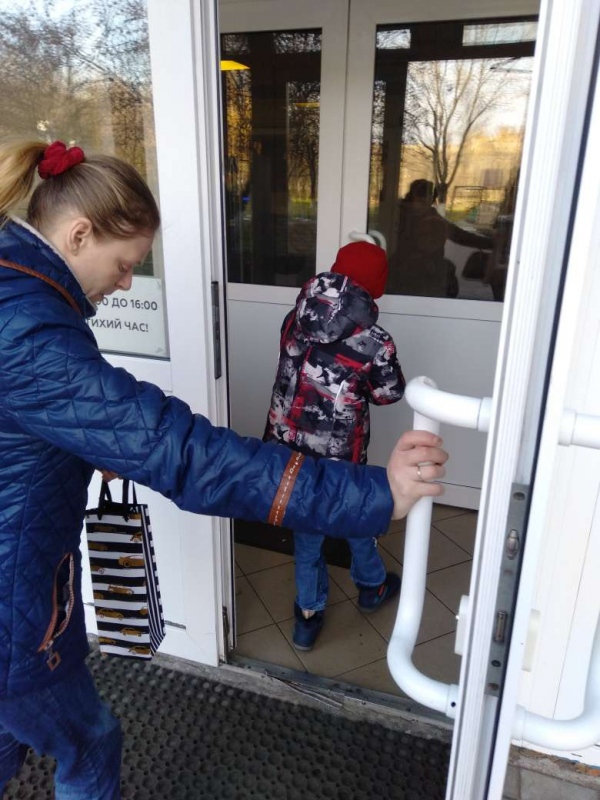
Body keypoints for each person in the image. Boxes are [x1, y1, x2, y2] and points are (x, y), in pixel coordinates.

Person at [0, 139, 448, 800]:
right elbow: (185, 453)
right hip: (14, 606)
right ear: (79, 234)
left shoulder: (19, 294)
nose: (125, 284)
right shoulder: (29, 329)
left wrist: (74, 444)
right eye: (125, 264)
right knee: (89, 745)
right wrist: (375, 494)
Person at [263, 241, 406, 650]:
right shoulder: (375, 341)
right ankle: (372, 586)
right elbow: (388, 394)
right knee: (353, 512)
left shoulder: (296, 315)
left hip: (288, 446)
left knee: (307, 530)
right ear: (376, 285)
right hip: (341, 454)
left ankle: (308, 616)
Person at [388, 178, 493, 297]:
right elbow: (459, 236)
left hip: (417, 274)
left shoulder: (425, 215)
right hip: (415, 274)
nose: (426, 203)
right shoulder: (400, 215)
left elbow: (459, 235)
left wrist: (492, 243)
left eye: (429, 199)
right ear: (414, 197)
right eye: (421, 200)